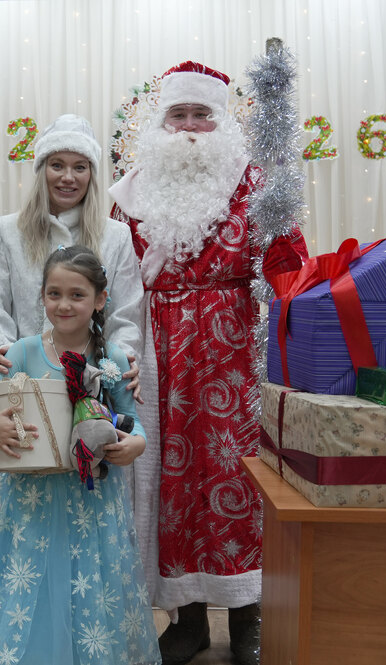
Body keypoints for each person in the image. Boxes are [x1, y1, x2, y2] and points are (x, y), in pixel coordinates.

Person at [109, 61, 305, 665]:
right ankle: (186, 620)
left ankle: (248, 618)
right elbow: (112, 275)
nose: (191, 126)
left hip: (234, 354)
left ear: (223, 121)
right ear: (160, 123)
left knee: (238, 476)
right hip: (156, 353)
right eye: (179, 114)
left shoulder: (256, 183)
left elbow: (289, 269)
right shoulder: (129, 193)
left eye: (202, 114)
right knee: (165, 483)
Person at [0, 245, 160, 665]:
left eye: (77, 295)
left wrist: (136, 445)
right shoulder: (21, 352)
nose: (64, 304)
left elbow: (133, 422)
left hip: (92, 504)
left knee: (86, 588)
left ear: (100, 300)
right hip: (29, 502)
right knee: (31, 583)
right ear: (42, 296)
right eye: (54, 294)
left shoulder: (113, 359)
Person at [0, 113, 144, 533]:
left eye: (80, 167)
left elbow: (126, 311)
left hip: (89, 391)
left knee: (83, 518)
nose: (68, 177)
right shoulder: (8, 231)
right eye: (57, 165)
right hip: (22, 388)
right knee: (19, 516)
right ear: (41, 170)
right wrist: (3, 352)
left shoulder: (115, 236)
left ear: (92, 174)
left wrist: (121, 360)